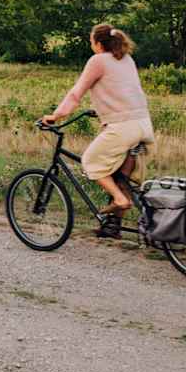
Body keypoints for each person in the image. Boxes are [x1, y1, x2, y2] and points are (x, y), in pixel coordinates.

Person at [42, 23, 155, 239]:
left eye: (91, 41)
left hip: (124, 128)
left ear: (99, 44)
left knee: (91, 162)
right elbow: (124, 90)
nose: (91, 45)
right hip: (143, 125)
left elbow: (76, 93)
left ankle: (120, 200)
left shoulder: (98, 60)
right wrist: (102, 108)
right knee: (120, 178)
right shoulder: (126, 59)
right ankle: (113, 227)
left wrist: (56, 115)